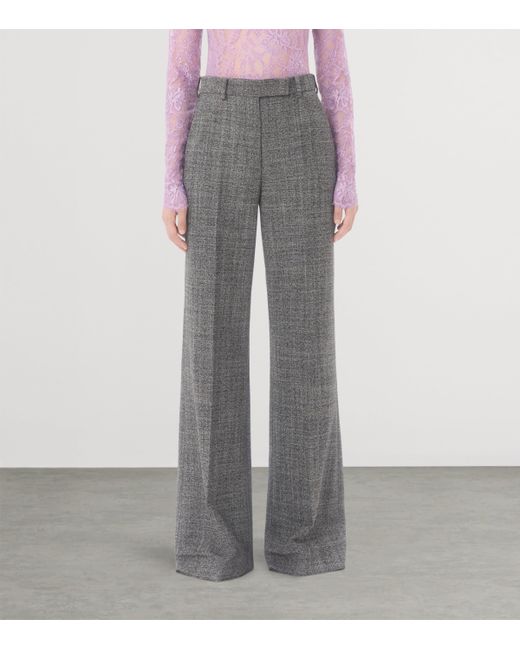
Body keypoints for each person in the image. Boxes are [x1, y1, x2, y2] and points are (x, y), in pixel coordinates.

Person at [162, 29, 358, 582]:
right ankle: (211, 542)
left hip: (300, 123)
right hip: (217, 119)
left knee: (307, 340)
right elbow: (181, 70)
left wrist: (347, 173)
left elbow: (334, 67)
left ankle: (306, 539)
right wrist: (171, 180)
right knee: (210, 338)